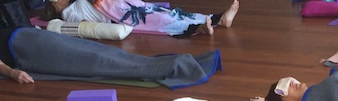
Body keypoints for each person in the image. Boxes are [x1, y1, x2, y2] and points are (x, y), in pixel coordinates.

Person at [0, 25, 220, 88]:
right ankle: (173, 65)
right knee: (99, 61)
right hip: (41, 52)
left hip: (45, 40)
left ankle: (174, 62)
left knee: (101, 52)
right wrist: (14, 73)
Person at [44, 0, 240, 38]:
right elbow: (86, 27)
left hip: (125, 6)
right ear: (54, 5)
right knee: (160, 20)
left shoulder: (77, 2)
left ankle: (217, 19)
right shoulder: (69, 13)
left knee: (164, 11)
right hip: (119, 16)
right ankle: (198, 28)